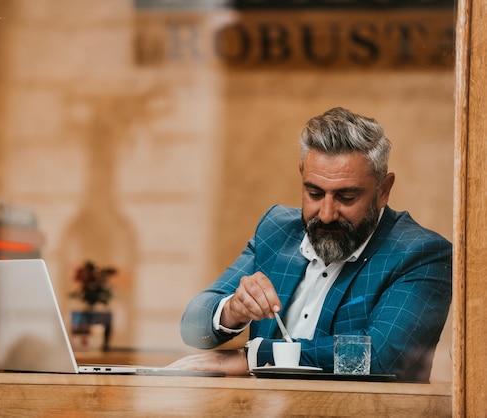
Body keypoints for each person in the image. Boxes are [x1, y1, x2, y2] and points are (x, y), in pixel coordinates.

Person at [170, 107, 452, 381]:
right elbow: (192, 326)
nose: (327, 214)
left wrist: (252, 358)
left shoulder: (421, 254)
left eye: (347, 197)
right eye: (315, 193)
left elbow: (382, 356)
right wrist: (232, 310)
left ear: (383, 190)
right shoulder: (277, 230)